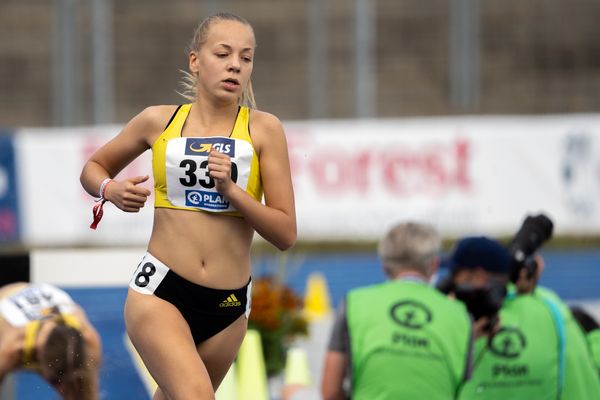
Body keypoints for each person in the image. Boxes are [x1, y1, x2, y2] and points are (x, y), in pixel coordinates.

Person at [80, 12, 296, 400]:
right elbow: (93, 169)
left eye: (245, 58)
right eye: (223, 53)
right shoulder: (157, 121)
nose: (235, 65)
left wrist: (233, 192)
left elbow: (285, 233)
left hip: (228, 308)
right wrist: (110, 190)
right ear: (195, 61)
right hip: (161, 291)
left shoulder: (265, 130)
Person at [321, 222, 474, 400]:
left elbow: (330, 391)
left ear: (384, 266)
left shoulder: (354, 303)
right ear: (434, 265)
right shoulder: (460, 314)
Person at [441, 236, 600, 399]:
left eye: (455, 274)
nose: (450, 281)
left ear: (478, 276)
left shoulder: (451, 317)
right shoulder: (552, 310)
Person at [0, 282, 102, 400]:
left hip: (40, 299)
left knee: (80, 389)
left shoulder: (89, 339)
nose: (61, 390)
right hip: (7, 297)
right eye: (54, 382)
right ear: (40, 358)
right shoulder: (12, 346)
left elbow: (90, 393)